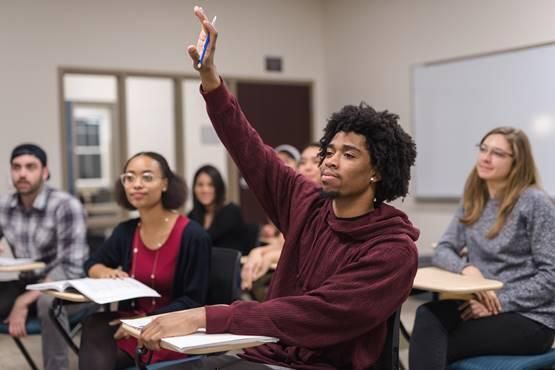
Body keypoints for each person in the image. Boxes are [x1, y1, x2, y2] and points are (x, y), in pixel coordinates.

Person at [137, 7, 419, 370]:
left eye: (348, 154)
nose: (330, 160)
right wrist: (210, 79)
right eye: (329, 150)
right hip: (267, 354)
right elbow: (251, 150)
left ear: (377, 171)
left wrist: (205, 317)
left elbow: (316, 313)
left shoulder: (393, 250)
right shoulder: (308, 204)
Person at [409, 127, 555, 370]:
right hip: (481, 307)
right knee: (427, 315)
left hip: (531, 318)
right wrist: (467, 269)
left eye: (497, 153)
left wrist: (499, 301)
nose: (485, 158)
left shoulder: (534, 202)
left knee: (434, 342)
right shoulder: (474, 198)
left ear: (517, 162)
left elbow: (551, 276)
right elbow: (444, 248)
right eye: (483, 149)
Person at [78, 152, 211, 370]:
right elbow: (92, 262)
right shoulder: (126, 231)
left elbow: (194, 301)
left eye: (147, 177)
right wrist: (103, 271)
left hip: (172, 329)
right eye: (129, 178)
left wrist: (145, 321)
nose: (136, 185)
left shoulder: (193, 236)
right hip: (132, 322)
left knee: (101, 353)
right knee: (94, 323)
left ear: (165, 184)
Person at [0, 143, 88, 370]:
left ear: (45, 172)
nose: (22, 173)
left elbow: (71, 267)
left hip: (67, 285)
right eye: (16, 167)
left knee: (48, 303)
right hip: (26, 282)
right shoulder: (4, 205)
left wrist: (23, 301)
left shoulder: (66, 206)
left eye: (30, 167)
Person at [241, 143, 322, 292]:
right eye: (303, 162)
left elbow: (305, 251)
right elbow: (282, 244)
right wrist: (257, 253)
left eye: (315, 162)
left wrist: (269, 257)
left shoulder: (328, 207)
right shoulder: (298, 204)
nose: (307, 167)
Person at [188, 164, 250, 254]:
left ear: (219, 188)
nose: (205, 189)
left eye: (210, 185)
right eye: (200, 185)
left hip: (229, 266)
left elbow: (205, 242)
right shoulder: (192, 216)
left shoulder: (231, 212)